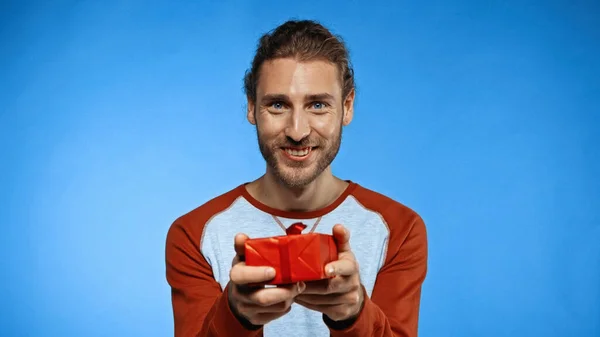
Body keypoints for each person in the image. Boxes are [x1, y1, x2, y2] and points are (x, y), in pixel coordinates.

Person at [165, 19, 428, 337]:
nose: (298, 131)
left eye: (318, 105)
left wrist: (353, 315)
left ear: (347, 107)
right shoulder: (195, 234)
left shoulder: (399, 229)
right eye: (277, 105)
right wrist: (236, 317)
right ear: (251, 107)